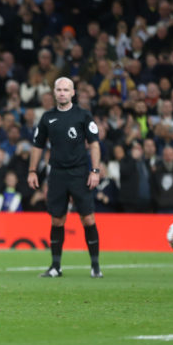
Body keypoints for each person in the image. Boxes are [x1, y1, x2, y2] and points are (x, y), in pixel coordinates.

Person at [27, 77, 103, 278]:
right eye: (59, 89)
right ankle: (55, 266)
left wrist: (94, 171)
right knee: (57, 220)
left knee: (88, 218)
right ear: (54, 92)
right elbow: (38, 146)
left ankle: (95, 266)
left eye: (66, 90)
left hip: (79, 173)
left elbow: (94, 144)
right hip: (57, 174)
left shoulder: (83, 115)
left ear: (73, 93)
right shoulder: (47, 117)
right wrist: (32, 170)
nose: (62, 93)